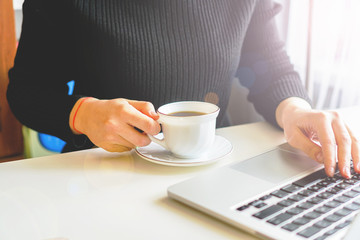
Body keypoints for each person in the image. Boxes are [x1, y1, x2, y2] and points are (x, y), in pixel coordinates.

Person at [7, 0, 359, 179]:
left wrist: (295, 109)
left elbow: (265, 64)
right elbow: (26, 89)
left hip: (217, 171)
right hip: (105, 172)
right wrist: (82, 114)